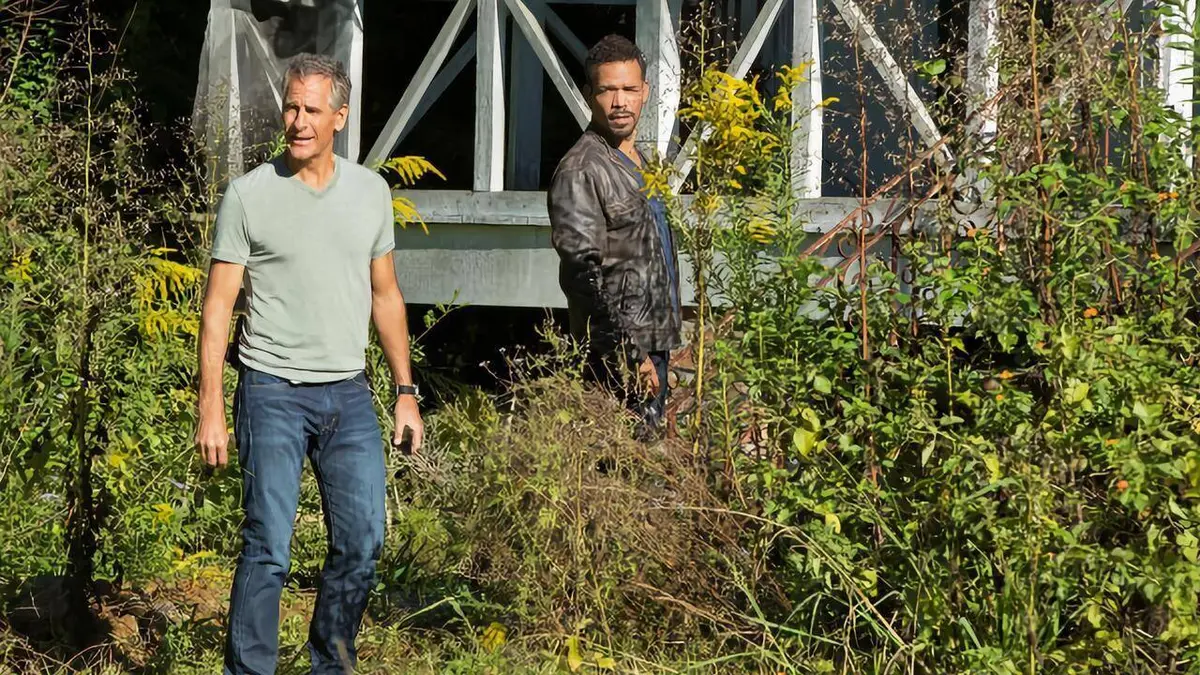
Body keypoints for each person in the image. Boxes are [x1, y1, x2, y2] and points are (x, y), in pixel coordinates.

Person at [194, 53, 423, 674]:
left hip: (348, 393)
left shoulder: (370, 193)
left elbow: (386, 296)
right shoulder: (249, 195)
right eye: (291, 107)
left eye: (312, 110)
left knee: (362, 541)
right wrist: (210, 405)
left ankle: (332, 663)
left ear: (339, 118)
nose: (298, 121)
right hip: (270, 389)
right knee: (268, 544)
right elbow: (218, 306)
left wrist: (405, 392)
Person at [548, 34, 682, 434]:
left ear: (645, 92)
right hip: (616, 358)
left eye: (629, 89)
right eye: (608, 90)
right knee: (621, 462)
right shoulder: (581, 169)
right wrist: (631, 355)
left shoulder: (643, 162)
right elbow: (582, 275)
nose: (620, 101)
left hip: (654, 344)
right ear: (589, 94)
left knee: (648, 461)